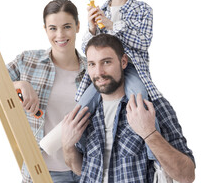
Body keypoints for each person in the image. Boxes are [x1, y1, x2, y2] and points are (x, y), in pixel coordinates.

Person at [0, 0, 86, 183]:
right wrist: (17, 85)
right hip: (42, 170)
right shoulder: (28, 61)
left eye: (67, 26)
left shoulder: (92, 69)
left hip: (85, 171)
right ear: (45, 29)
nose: (60, 34)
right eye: (53, 28)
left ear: (78, 26)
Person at [62, 34, 195, 183]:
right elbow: (82, 170)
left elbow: (186, 175)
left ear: (123, 61)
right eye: (92, 64)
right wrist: (67, 146)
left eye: (106, 62)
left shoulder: (151, 107)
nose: (98, 72)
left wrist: (149, 133)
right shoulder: (86, 114)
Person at [75, 0, 161, 106]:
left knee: (140, 98)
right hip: (105, 70)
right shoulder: (100, 11)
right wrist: (92, 29)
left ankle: (150, 129)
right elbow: (86, 50)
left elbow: (143, 42)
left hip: (132, 68)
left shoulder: (143, 10)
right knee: (82, 105)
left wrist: (112, 25)